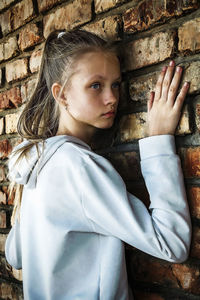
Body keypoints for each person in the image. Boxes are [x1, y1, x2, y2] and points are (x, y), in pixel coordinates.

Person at [5, 29, 191, 300]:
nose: (112, 97)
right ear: (62, 94)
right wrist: (159, 140)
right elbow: (172, 244)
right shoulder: (77, 167)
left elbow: (15, 254)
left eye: (116, 84)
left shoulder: (37, 161)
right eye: (96, 85)